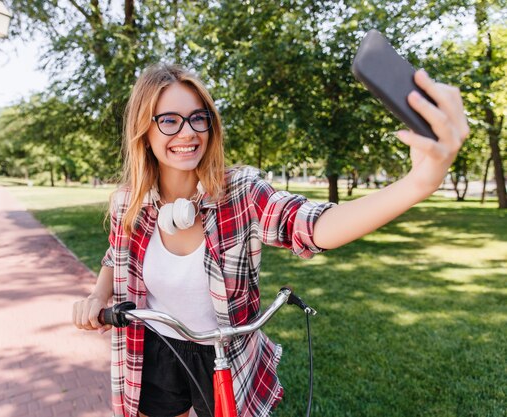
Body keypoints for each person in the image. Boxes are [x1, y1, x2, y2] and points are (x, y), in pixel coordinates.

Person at [72, 63, 468, 417]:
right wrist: (97, 295)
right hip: (155, 347)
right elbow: (116, 253)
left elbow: (311, 225)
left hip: (226, 357)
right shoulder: (130, 203)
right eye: (170, 121)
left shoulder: (241, 191)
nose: (188, 132)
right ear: (144, 129)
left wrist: (418, 183)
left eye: (198, 118)